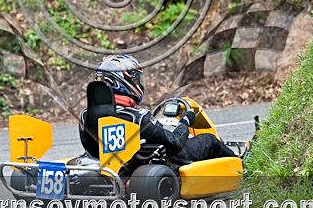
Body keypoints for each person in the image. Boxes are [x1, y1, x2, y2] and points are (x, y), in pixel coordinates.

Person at [79, 54, 237, 165]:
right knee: (208, 140)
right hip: (153, 162)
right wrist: (185, 122)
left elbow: (91, 148)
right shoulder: (137, 117)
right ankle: (241, 166)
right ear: (122, 81)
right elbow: (174, 143)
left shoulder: (86, 115)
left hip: (112, 165)